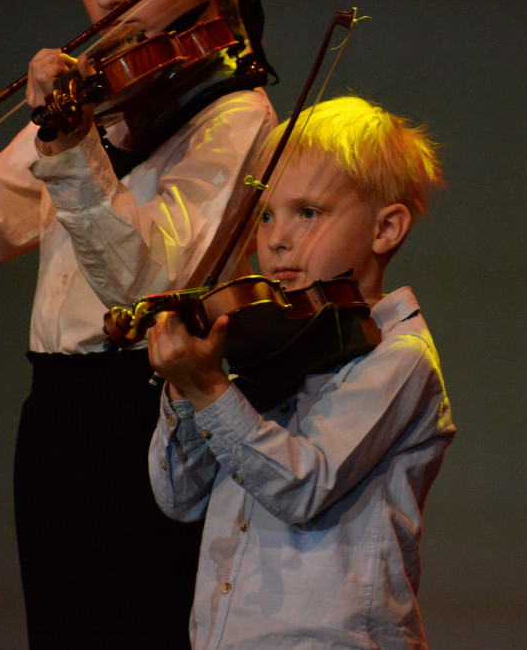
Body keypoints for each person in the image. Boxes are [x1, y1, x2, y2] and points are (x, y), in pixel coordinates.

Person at [0, 0, 277, 646]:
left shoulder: (235, 114)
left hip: (150, 411)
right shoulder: (92, 103)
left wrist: (69, 141)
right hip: (57, 410)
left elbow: (149, 287)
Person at [147, 95, 455, 648]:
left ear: (386, 229)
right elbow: (178, 495)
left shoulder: (399, 356)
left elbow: (303, 486)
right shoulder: (266, 347)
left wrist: (213, 391)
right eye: (265, 214)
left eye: (307, 212)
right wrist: (186, 388)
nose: (275, 238)